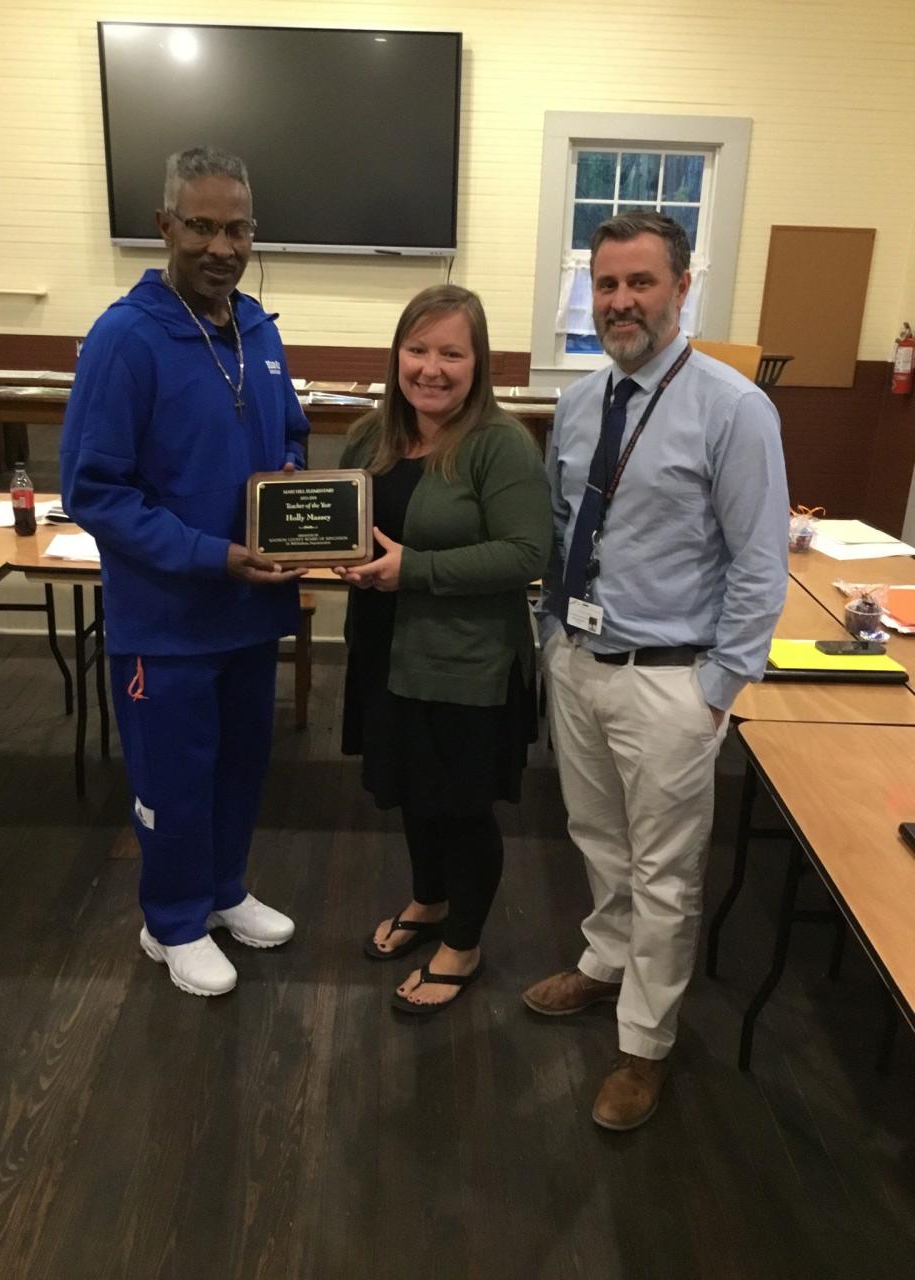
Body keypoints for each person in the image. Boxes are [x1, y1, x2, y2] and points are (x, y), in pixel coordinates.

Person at [525, 212, 789, 1128]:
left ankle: (646, 1043)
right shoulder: (576, 402)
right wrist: (552, 639)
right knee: (598, 836)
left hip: (672, 678)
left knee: (668, 872)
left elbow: (760, 566)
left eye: (641, 283)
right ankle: (605, 963)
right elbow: (565, 534)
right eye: (606, 284)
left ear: (681, 289)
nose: (621, 301)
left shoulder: (735, 409)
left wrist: (716, 690)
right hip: (581, 660)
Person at [61, 146, 309, 997]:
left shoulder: (261, 331)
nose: (221, 246)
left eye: (236, 228)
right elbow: (94, 490)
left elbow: (293, 433)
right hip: (165, 620)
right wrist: (212, 555)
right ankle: (169, 921)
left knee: (240, 765)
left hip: (251, 612)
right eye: (200, 226)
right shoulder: (125, 338)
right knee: (172, 775)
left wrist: (290, 482)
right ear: (165, 226)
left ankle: (222, 890)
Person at [336, 285, 552, 1013]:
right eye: (418, 349)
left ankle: (464, 942)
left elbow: (527, 552)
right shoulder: (371, 436)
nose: (431, 368)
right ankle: (428, 901)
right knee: (412, 793)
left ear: (478, 362)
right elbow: (345, 521)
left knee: (460, 807)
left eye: (451, 353)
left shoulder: (501, 444)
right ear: (397, 353)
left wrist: (413, 571)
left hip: (466, 664)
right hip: (383, 650)